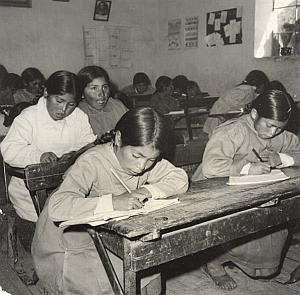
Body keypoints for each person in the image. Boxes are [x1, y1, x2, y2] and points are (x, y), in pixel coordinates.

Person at [31, 107, 189, 295]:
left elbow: (180, 179)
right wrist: (113, 202)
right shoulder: (92, 161)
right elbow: (58, 207)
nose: (141, 166)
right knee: (107, 281)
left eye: (151, 160)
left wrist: (146, 190)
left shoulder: (144, 157)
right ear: (119, 138)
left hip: (108, 234)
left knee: (147, 265)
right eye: (136, 156)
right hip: (69, 240)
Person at [192, 90, 300, 290]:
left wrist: (282, 158)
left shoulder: (279, 134)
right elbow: (211, 167)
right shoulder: (233, 131)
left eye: (279, 128)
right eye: (269, 125)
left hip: (251, 193)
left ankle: (226, 252)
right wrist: (247, 168)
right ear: (254, 114)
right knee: (250, 234)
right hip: (212, 192)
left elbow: (297, 148)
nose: (273, 133)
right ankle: (212, 258)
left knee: (268, 267)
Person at [0, 70, 96, 252]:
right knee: (43, 248)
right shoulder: (28, 117)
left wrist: (82, 152)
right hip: (32, 195)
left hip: (66, 188)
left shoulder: (78, 117)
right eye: (59, 101)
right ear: (45, 93)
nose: (63, 110)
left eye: (71, 104)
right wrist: (38, 156)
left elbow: (88, 143)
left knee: (79, 244)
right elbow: (9, 150)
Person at [203, 70, 269, 138]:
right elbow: (238, 110)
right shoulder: (249, 91)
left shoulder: (242, 88)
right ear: (261, 84)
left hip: (216, 115)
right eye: (264, 87)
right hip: (220, 118)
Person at [77, 65, 128, 138]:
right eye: (94, 88)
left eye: (105, 87)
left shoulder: (117, 106)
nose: (101, 94)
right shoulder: (78, 113)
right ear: (82, 93)